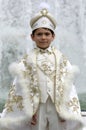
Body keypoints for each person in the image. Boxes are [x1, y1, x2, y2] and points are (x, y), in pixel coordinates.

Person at [0, 3, 85, 130]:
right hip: (36, 106)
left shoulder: (62, 59)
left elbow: (68, 86)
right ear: (32, 37)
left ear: (53, 36)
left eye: (47, 34)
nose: (43, 37)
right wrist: (28, 111)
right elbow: (19, 86)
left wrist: (66, 110)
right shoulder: (26, 60)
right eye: (39, 34)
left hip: (56, 107)